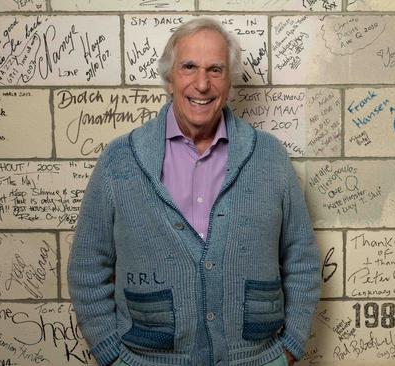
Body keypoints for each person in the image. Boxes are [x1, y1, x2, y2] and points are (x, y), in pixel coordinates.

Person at [68, 17, 321, 366]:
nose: (202, 84)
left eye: (215, 69)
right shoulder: (120, 160)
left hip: (256, 359)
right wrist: (111, 354)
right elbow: (86, 267)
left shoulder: (269, 157)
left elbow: (302, 259)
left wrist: (291, 346)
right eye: (189, 67)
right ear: (170, 79)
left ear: (229, 81)